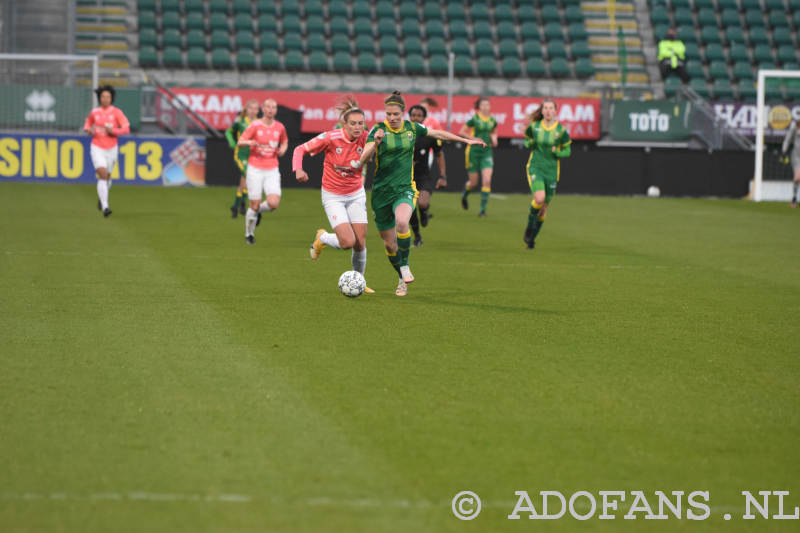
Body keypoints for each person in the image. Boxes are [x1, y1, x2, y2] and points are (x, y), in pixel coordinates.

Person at [356, 91, 485, 296]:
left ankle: (405, 266)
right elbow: (362, 159)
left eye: (396, 114)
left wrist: (466, 141)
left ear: (403, 113)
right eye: (388, 114)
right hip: (381, 193)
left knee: (402, 222)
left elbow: (438, 134)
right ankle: (401, 276)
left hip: (405, 188)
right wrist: (375, 145)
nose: (392, 117)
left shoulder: (412, 128)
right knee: (390, 246)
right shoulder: (378, 130)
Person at [293, 96, 374, 293]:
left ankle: (359, 281)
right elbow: (299, 149)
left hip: (355, 193)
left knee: (360, 242)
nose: (357, 127)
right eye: (353, 123)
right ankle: (323, 238)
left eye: (360, 123)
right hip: (333, 195)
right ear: (343, 124)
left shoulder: (368, 138)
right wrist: (298, 169)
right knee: (348, 242)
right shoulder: (330, 137)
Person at [237, 98, 288, 244]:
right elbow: (240, 142)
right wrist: (250, 142)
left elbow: (284, 141)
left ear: (276, 110)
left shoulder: (280, 127)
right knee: (254, 204)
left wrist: (283, 150)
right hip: (255, 169)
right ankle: (249, 234)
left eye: (274, 107)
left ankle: (258, 211)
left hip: (272, 168)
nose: (271, 110)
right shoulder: (255, 125)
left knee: (273, 204)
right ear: (263, 109)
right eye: (268, 107)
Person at [523, 98, 571, 250]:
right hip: (536, 167)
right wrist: (529, 143)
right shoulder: (534, 126)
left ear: (555, 111)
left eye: (551, 108)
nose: (549, 111)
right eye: (546, 108)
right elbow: (527, 141)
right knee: (539, 198)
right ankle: (529, 228)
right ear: (542, 111)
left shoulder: (561, 130)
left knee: (543, 208)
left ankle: (532, 240)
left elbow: (567, 151)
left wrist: (558, 152)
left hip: (551, 171)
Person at [83, 85, 130, 217]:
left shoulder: (117, 113)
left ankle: (102, 197)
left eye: (108, 97)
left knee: (107, 177)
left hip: (112, 148)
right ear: (99, 98)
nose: (105, 99)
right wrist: (88, 130)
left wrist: (113, 131)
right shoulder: (95, 112)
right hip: (97, 147)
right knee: (102, 174)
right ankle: (105, 207)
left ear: (111, 98)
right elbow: (87, 123)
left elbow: (126, 128)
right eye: (103, 96)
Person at [408, 104, 447, 247]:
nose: (416, 118)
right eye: (413, 115)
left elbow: (439, 154)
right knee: (410, 209)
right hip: (406, 177)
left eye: (419, 115)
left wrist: (443, 175)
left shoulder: (429, 135)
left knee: (423, 203)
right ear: (409, 117)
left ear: (424, 118)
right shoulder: (403, 134)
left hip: (423, 176)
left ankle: (424, 212)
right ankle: (417, 236)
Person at [459, 97, 498, 217]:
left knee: (487, 180)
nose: (486, 107)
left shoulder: (493, 120)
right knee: (473, 183)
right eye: (483, 105)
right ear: (479, 107)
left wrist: (494, 139)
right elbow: (462, 132)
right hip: (474, 152)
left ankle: (482, 210)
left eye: (487, 105)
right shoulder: (474, 119)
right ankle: (464, 195)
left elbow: (493, 131)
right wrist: (473, 138)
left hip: (486, 152)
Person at [225, 99, 259, 218]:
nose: (253, 111)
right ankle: (241, 206)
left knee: (244, 182)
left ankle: (236, 206)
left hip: (253, 157)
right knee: (248, 179)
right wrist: (232, 142)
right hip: (241, 155)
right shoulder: (240, 122)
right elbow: (228, 132)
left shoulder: (259, 123)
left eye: (255, 109)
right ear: (246, 110)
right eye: (251, 108)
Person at [782, 119, 800, 208]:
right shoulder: (794, 129)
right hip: (796, 156)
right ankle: (794, 198)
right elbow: (787, 140)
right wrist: (784, 150)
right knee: (797, 178)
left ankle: (794, 199)